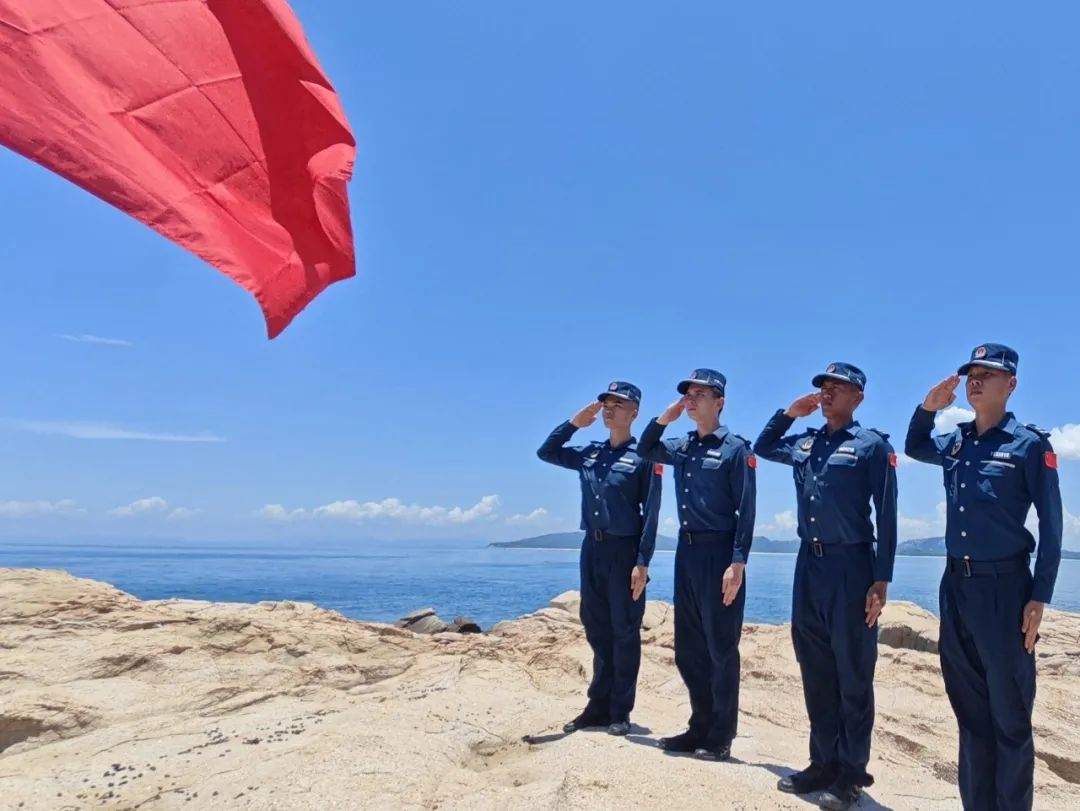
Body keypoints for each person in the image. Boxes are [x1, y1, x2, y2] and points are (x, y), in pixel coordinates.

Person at [905, 343, 1062, 811]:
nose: (975, 380)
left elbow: (1052, 524)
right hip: (956, 587)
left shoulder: (1029, 445)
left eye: (987, 374)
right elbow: (915, 446)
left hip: (1005, 590)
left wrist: (1040, 595)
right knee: (970, 715)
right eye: (971, 373)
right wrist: (926, 409)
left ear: (1010, 384)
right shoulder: (956, 442)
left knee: (1010, 718)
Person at [754, 362, 897, 810]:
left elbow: (888, 515)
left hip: (852, 566)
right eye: (824, 386)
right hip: (808, 567)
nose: (829, 392)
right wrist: (790, 413)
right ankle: (822, 763)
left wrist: (881, 578)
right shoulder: (805, 442)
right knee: (815, 670)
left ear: (859, 397)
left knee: (853, 674)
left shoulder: (871, 446)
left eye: (839, 387)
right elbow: (763, 446)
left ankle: (851, 773)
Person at [637, 368, 756, 761]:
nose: (692, 399)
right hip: (686, 554)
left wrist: (738, 562)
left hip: (721, 553)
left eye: (700, 394)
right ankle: (699, 726)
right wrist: (664, 417)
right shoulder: (682, 446)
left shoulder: (737, 449)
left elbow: (746, 510)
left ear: (719, 402)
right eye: (688, 393)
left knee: (721, 647)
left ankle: (721, 736)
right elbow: (645, 448)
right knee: (689, 648)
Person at [537, 381, 662, 736]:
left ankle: (620, 711)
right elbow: (547, 452)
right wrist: (575, 423)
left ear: (634, 413)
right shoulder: (590, 453)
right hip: (591, 549)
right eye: (606, 403)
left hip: (624, 552)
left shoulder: (645, 456)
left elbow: (651, 513)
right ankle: (597, 706)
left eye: (618, 404)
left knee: (624, 631)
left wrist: (643, 562)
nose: (609, 409)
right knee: (596, 628)